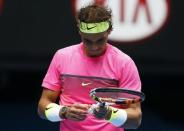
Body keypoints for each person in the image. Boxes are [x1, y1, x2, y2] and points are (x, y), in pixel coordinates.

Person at [38, 3, 142, 131]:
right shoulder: (62, 56)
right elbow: (42, 108)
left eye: (100, 40)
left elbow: (135, 119)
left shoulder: (124, 63)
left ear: (109, 31)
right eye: (88, 40)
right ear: (80, 31)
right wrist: (64, 112)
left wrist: (110, 114)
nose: (94, 47)